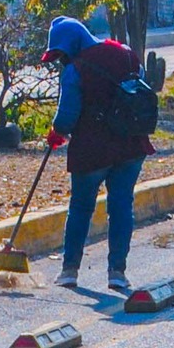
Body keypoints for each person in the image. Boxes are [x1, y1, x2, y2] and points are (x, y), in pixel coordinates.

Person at [44, 15, 153, 293]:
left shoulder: (75, 69)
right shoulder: (126, 54)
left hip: (91, 151)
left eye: (60, 55)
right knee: (120, 206)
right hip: (131, 146)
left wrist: (57, 131)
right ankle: (117, 273)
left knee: (81, 207)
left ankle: (69, 271)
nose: (60, 61)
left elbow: (67, 118)